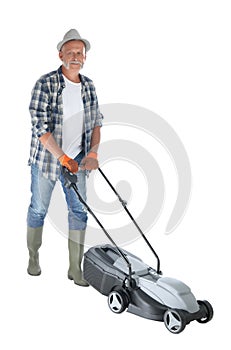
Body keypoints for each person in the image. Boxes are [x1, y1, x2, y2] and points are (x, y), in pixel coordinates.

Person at [26, 29, 103, 286]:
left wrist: (92, 152)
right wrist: (61, 157)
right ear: (60, 55)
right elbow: (39, 127)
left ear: (85, 57)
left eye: (79, 52)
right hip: (47, 162)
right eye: (70, 52)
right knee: (39, 209)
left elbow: (96, 123)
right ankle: (33, 257)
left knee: (79, 212)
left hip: (78, 161)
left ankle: (75, 269)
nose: (75, 56)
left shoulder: (89, 86)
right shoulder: (45, 84)